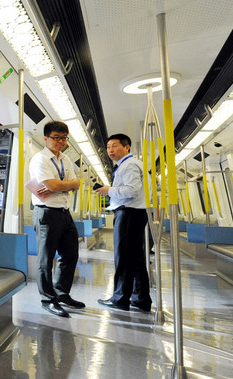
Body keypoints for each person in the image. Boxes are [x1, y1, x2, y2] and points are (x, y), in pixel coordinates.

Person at [28, 121, 84, 317]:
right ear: (46, 139)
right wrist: (66, 184)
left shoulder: (66, 160)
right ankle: (48, 299)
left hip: (64, 212)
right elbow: (51, 185)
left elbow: (76, 183)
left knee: (70, 255)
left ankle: (61, 293)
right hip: (46, 212)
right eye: (56, 138)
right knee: (46, 258)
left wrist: (65, 184)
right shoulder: (40, 159)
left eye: (64, 138)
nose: (61, 142)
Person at [94, 133, 151, 312]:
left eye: (115, 146)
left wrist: (108, 190)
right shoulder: (128, 165)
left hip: (129, 213)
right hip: (135, 213)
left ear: (127, 148)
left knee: (124, 258)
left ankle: (120, 298)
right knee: (136, 258)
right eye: (108, 147)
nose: (110, 150)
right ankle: (140, 299)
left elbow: (132, 190)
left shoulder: (129, 165)